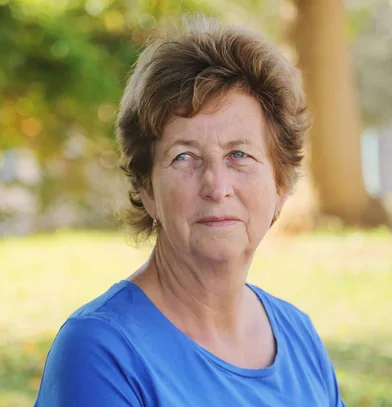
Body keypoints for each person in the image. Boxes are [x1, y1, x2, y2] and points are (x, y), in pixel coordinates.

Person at [34, 15, 346, 407]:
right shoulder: (101, 351)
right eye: (184, 157)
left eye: (239, 155)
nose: (216, 186)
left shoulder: (299, 337)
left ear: (281, 185)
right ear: (146, 188)